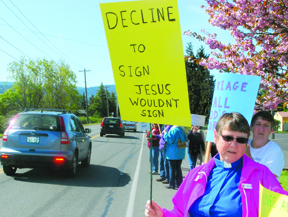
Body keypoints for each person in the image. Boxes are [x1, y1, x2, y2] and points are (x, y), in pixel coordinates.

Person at [145, 112, 288, 217]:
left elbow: (282, 210)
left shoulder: (261, 175)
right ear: (215, 136)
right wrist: (162, 215)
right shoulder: (196, 174)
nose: (234, 144)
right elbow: (180, 212)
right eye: (228, 137)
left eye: (241, 140)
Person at [245, 111, 285, 179]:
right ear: (251, 127)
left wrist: (248, 157)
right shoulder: (243, 144)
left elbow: (267, 180)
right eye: (258, 124)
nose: (261, 129)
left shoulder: (275, 151)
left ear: (271, 130)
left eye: (266, 125)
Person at [163, 125, 187, 189]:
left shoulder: (173, 130)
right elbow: (185, 139)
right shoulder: (182, 130)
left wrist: (165, 133)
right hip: (180, 152)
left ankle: (172, 184)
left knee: (172, 168)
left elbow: (169, 140)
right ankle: (179, 183)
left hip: (172, 153)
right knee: (178, 168)